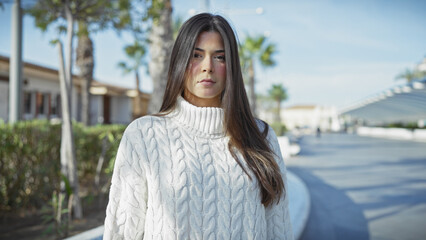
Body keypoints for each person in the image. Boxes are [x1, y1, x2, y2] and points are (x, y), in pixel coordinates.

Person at [103, 13, 294, 240]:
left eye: (220, 57)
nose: (208, 67)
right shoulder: (144, 135)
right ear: (180, 61)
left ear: (231, 66)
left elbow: (278, 230)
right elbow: (121, 233)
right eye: (196, 55)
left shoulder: (261, 136)